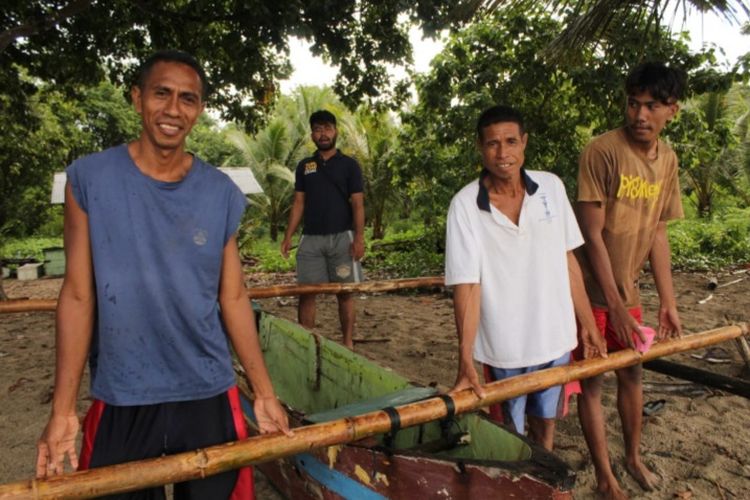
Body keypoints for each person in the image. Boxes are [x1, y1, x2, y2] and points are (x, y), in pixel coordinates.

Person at [35, 50, 291, 499]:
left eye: (188, 99)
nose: (173, 110)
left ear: (199, 110)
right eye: (162, 94)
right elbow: (77, 296)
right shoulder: (90, 180)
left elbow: (232, 298)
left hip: (207, 391)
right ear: (137, 99)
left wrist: (264, 391)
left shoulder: (219, 193)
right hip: (123, 394)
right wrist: (62, 410)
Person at [447, 105, 606, 451]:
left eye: (510, 141)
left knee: (546, 424)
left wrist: (588, 325)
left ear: (524, 143)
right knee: (510, 433)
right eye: (492, 144)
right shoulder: (464, 206)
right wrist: (465, 359)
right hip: (504, 347)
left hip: (555, 337)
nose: (502, 153)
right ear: (480, 146)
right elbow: (467, 286)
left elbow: (567, 260)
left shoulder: (550, 187)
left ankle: (543, 471)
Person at [575, 61, 685, 499]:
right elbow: (591, 234)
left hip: (630, 291)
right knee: (593, 380)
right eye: (633, 104)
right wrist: (613, 307)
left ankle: (633, 456)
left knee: (633, 376)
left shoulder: (668, 160)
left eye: (652, 106)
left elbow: (658, 231)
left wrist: (667, 301)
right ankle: (605, 475)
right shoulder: (601, 151)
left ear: (672, 110)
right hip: (588, 292)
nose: (640, 115)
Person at [280, 110, 365, 350]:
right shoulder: (305, 166)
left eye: (327, 128)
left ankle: (347, 342)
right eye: (318, 129)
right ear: (312, 135)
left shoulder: (350, 166)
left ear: (336, 131)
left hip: (342, 238)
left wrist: (359, 238)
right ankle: (309, 342)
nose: (323, 133)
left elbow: (358, 204)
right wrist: (288, 236)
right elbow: (299, 203)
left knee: (345, 292)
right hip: (311, 240)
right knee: (306, 292)